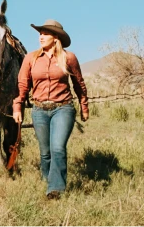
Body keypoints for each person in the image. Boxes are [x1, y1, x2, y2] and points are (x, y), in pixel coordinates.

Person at [12, 19, 89, 200]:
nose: (41, 36)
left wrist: (84, 106)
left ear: (56, 37)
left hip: (63, 108)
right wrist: (18, 107)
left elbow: (79, 84)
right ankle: (47, 179)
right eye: (40, 33)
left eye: (45, 33)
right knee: (45, 152)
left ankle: (55, 188)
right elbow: (22, 85)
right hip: (39, 110)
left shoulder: (69, 58)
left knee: (57, 148)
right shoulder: (30, 58)